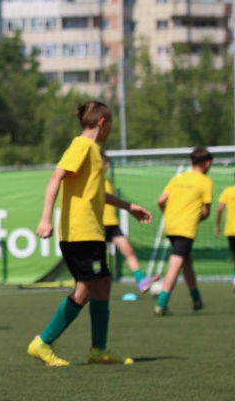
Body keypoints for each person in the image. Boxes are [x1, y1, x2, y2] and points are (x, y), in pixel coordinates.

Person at [27, 102, 151, 367]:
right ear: (103, 123)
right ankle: (43, 343)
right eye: (111, 126)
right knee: (85, 290)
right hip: (80, 233)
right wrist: (45, 218)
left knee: (102, 285)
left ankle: (99, 350)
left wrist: (129, 207)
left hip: (91, 233)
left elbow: (97, 193)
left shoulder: (94, 151)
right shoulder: (82, 146)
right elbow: (55, 177)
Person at [153, 147, 214, 316]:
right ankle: (161, 303)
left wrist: (170, 212)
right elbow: (205, 211)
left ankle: (196, 299)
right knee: (176, 263)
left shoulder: (177, 178)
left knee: (187, 262)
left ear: (191, 162)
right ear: (207, 163)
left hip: (170, 224)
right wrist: (197, 217)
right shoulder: (205, 181)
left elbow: (161, 200)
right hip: (186, 227)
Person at [103, 157, 154, 293]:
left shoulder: (109, 181)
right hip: (96, 224)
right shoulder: (90, 180)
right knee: (95, 259)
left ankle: (141, 281)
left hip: (112, 224)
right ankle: (88, 286)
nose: (106, 164)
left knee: (128, 250)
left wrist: (128, 207)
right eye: (103, 161)